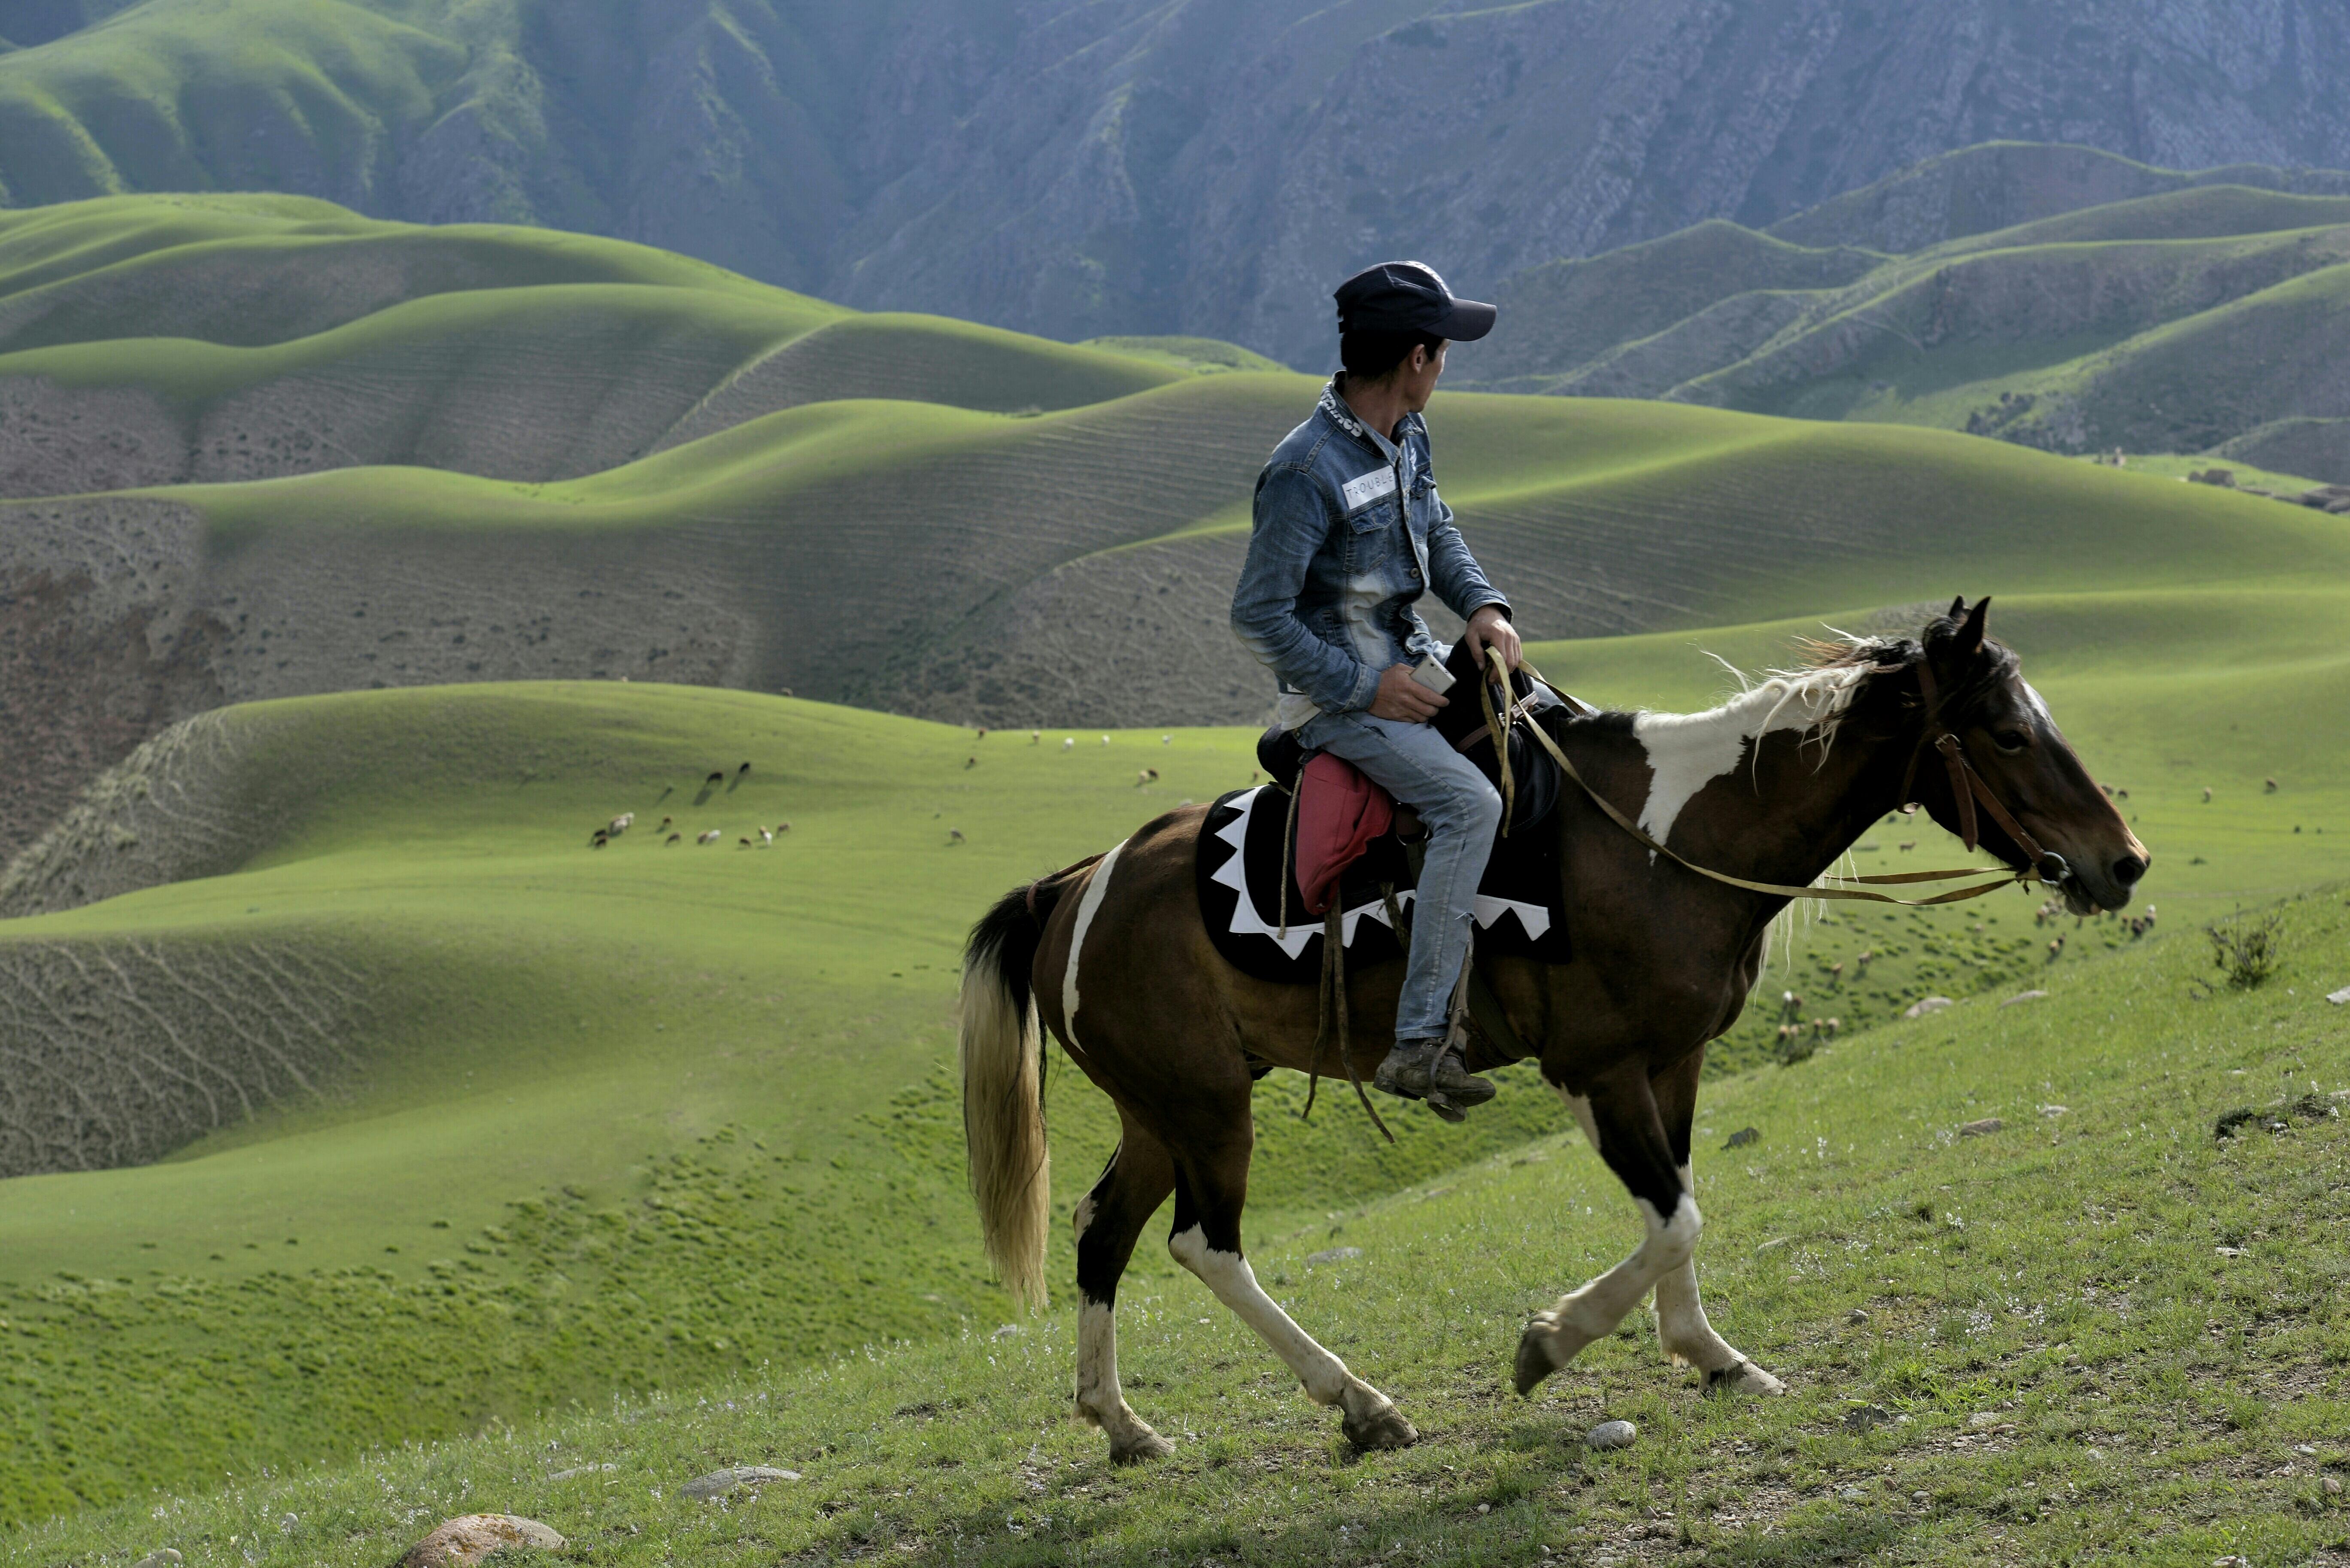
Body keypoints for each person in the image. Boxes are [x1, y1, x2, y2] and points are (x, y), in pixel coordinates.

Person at [1230, 259, 1521, 1120]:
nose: (1446, 365)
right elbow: (1258, 617)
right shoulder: (1303, 470)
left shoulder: (1407, 436)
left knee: (1536, 727)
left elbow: (1438, 529)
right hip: (1335, 701)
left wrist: (1483, 607)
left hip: (1414, 661)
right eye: (1444, 350)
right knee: (1468, 805)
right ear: (1416, 359)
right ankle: (1421, 1041)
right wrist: (1367, 688)